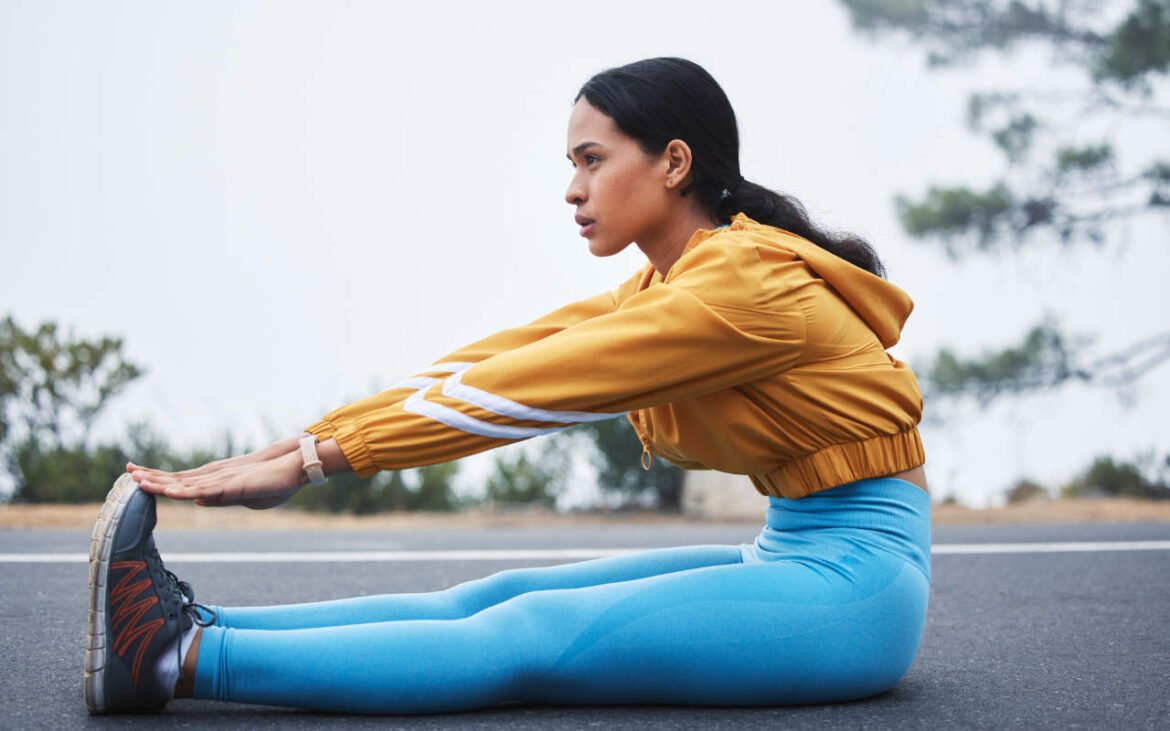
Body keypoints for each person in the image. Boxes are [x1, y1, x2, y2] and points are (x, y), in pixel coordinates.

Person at [84, 57, 931, 715]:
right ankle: (196, 628)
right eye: (572, 163)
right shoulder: (669, 283)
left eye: (592, 160)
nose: (572, 188)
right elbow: (492, 362)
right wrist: (290, 445)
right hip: (800, 551)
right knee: (497, 595)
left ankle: (173, 658)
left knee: (529, 636)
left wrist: (315, 463)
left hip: (856, 590)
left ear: (674, 162)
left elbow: (536, 390)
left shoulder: (740, 288)